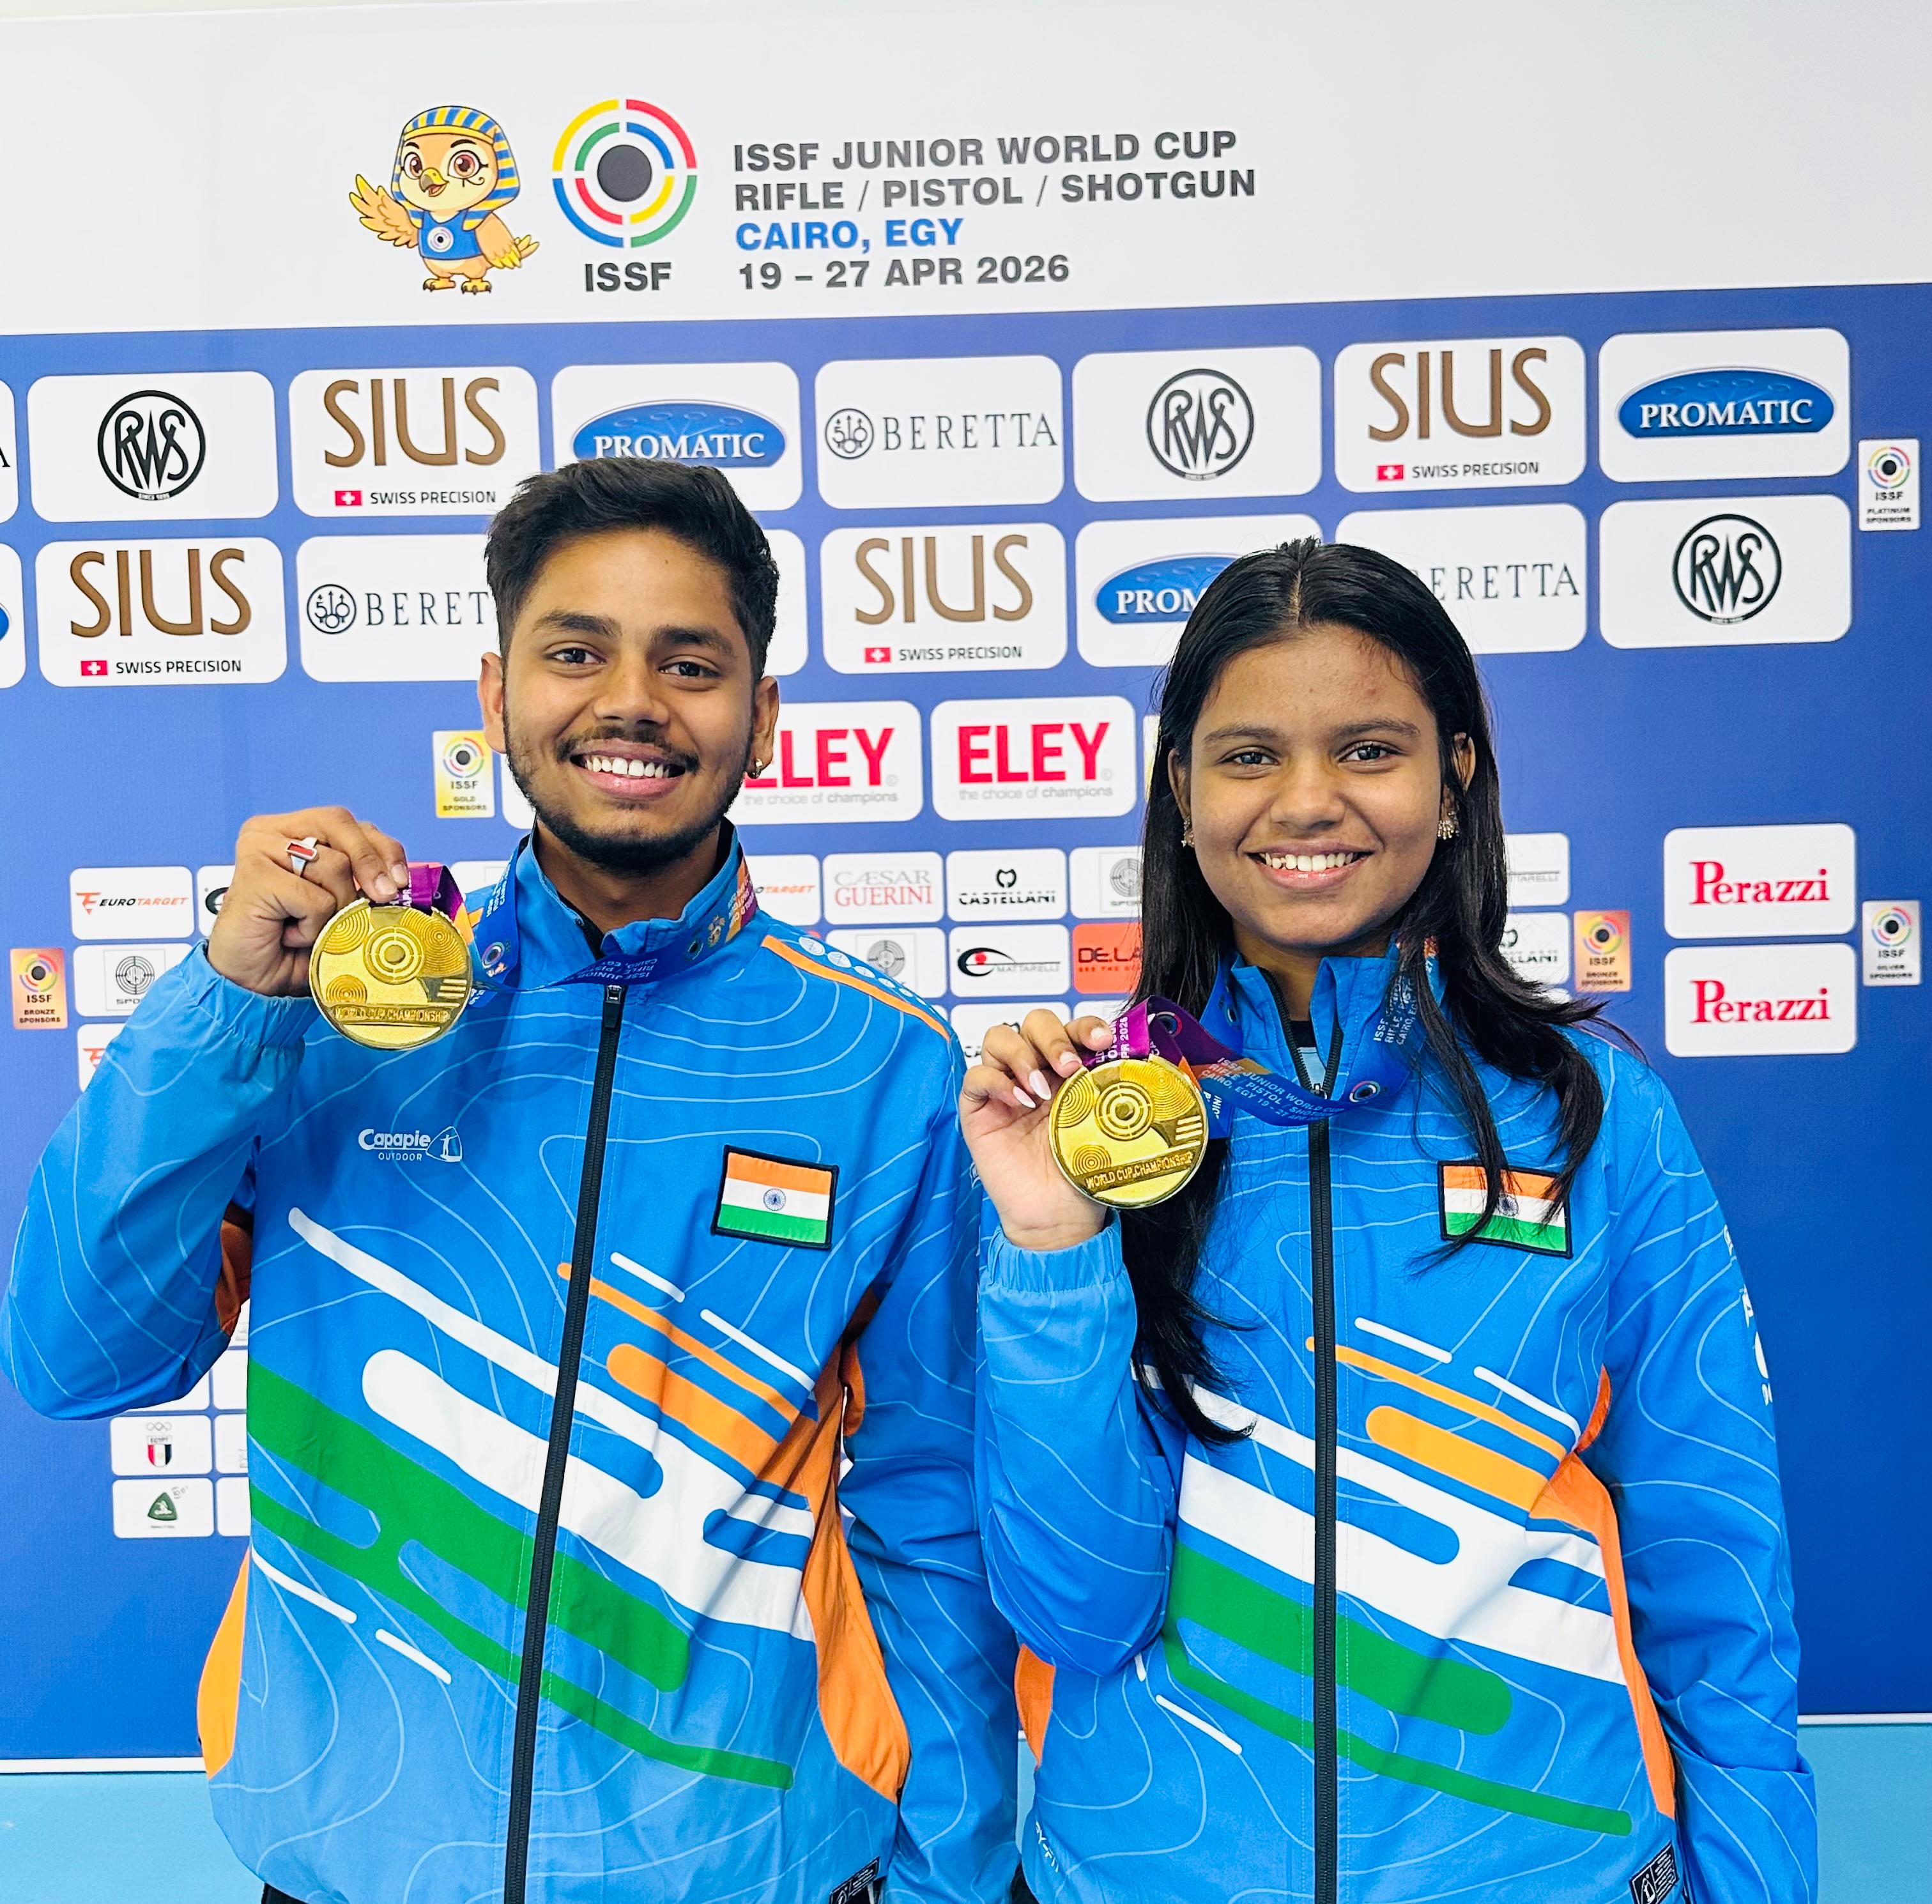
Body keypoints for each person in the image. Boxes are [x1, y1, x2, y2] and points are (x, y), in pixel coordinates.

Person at [3, 459, 1017, 1904]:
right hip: (352, 1867)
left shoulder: (883, 1065)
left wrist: (952, 1879)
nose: (632, 702)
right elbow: (75, 1354)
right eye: (575, 651)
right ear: (495, 693)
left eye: (691, 661)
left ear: (764, 717)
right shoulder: (336, 1015)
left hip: (750, 1871)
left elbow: (932, 1510)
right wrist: (230, 998)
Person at [962, 539, 1815, 1904]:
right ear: (1178, 792)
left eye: (1368, 747)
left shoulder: (1594, 1114)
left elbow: (1718, 1565)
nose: (1309, 801)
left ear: (1454, 775)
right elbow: (1074, 1604)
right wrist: (1056, 1243)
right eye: (1247, 756)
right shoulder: (1089, 1125)